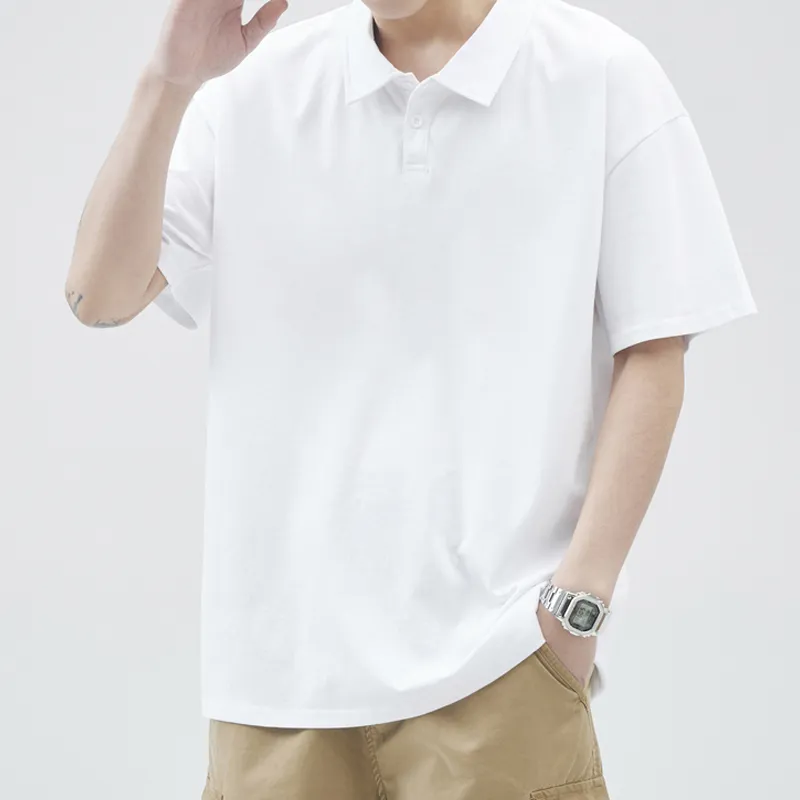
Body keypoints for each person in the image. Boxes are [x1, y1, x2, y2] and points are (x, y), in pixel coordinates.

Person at [65, 0, 758, 796]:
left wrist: (576, 607)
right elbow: (99, 295)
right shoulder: (251, 88)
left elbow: (656, 348)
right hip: (274, 691)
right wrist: (169, 81)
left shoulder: (601, 73)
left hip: (500, 670)